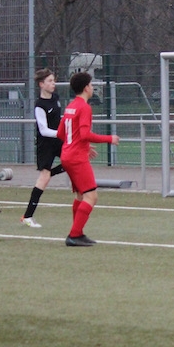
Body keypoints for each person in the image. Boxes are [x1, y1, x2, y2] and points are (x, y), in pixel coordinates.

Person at [57, 72, 120, 246]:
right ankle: (74, 235)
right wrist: (110, 138)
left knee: (80, 195)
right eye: (91, 85)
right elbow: (84, 134)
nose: (92, 88)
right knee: (91, 196)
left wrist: (83, 145)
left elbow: (61, 133)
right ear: (86, 88)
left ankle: (77, 233)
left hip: (67, 155)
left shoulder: (70, 106)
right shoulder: (84, 107)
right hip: (76, 157)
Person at [21, 68, 65, 228]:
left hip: (58, 141)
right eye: (50, 81)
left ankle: (49, 174)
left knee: (73, 161)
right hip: (45, 145)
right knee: (43, 179)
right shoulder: (39, 105)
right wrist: (61, 133)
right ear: (41, 84)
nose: (53, 84)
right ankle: (28, 216)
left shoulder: (56, 98)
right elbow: (43, 130)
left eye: (54, 81)